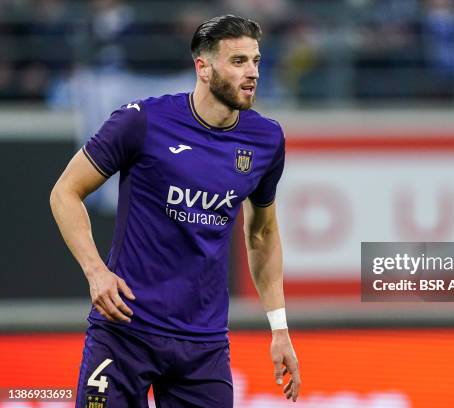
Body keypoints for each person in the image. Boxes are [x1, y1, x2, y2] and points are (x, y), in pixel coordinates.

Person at [50, 14, 300, 407]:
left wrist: (279, 328)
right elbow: (65, 191)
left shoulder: (266, 139)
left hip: (203, 347)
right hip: (124, 329)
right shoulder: (142, 120)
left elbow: (263, 234)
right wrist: (96, 271)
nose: (252, 72)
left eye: (256, 61)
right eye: (238, 62)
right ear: (203, 68)